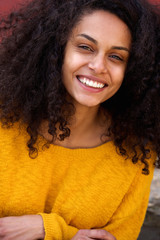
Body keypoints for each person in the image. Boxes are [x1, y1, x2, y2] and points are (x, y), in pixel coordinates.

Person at [0, 0, 159, 239]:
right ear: (57, 49)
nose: (98, 66)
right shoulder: (5, 125)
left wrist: (48, 229)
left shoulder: (134, 154)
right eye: (85, 47)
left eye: (116, 56)